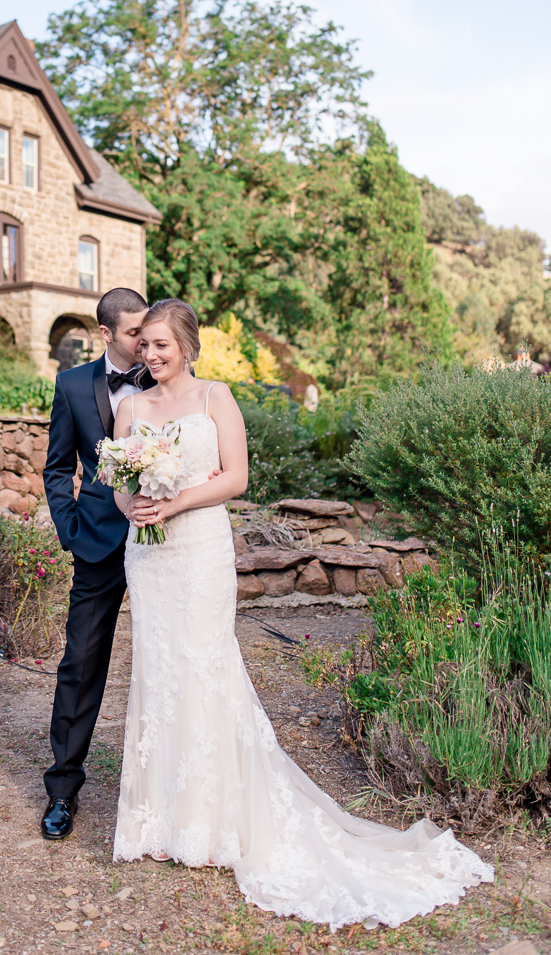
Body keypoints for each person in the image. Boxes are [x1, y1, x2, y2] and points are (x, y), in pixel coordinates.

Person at [112, 297, 494, 930]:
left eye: (161, 345)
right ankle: (162, 819)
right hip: (149, 556)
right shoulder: (130, 407)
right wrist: (133, 504)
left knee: (206, 664)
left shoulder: (216, 399)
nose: (150, 356)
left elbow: (235, 479)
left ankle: (216, 820)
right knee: (157, 666)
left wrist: (174, 501)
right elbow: (120, 478)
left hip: (199, 547)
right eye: (143, 346)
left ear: (187, 345)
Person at [40, 286, 153, 840]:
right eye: (135, 333)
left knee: (170, 660)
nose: (146, 343)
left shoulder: (166, 374)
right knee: (80, 661)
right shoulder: (72, 385)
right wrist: (69, 528)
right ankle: (62, 789)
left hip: (164, 540)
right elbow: (58, 467)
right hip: (96, 541)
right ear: (107, 334)